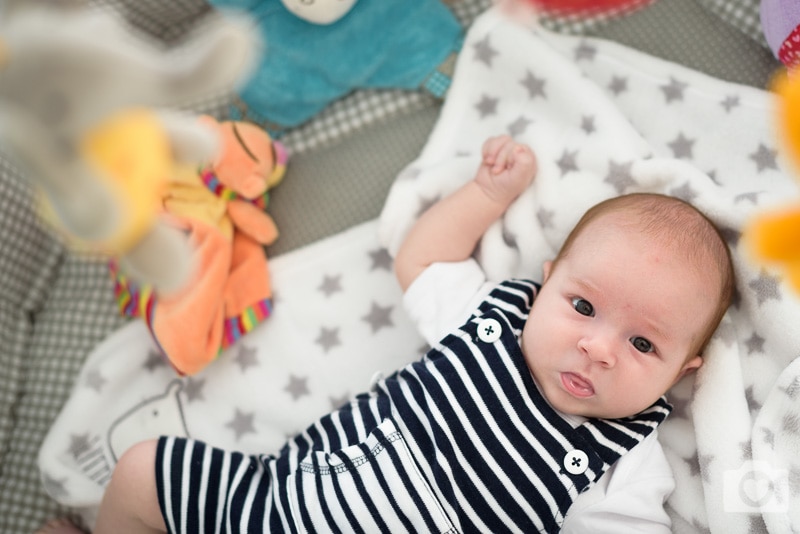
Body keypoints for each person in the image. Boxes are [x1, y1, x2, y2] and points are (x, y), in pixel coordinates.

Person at [40, 135, 734, 533]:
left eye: (645, 346)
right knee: (142, 469)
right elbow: (424, 260)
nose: (600, 347)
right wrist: (486, 197)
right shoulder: (492, 320)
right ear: (547, 282)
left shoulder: (626, 459)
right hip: (272, 506)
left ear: (682, 371)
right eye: (582, 307)